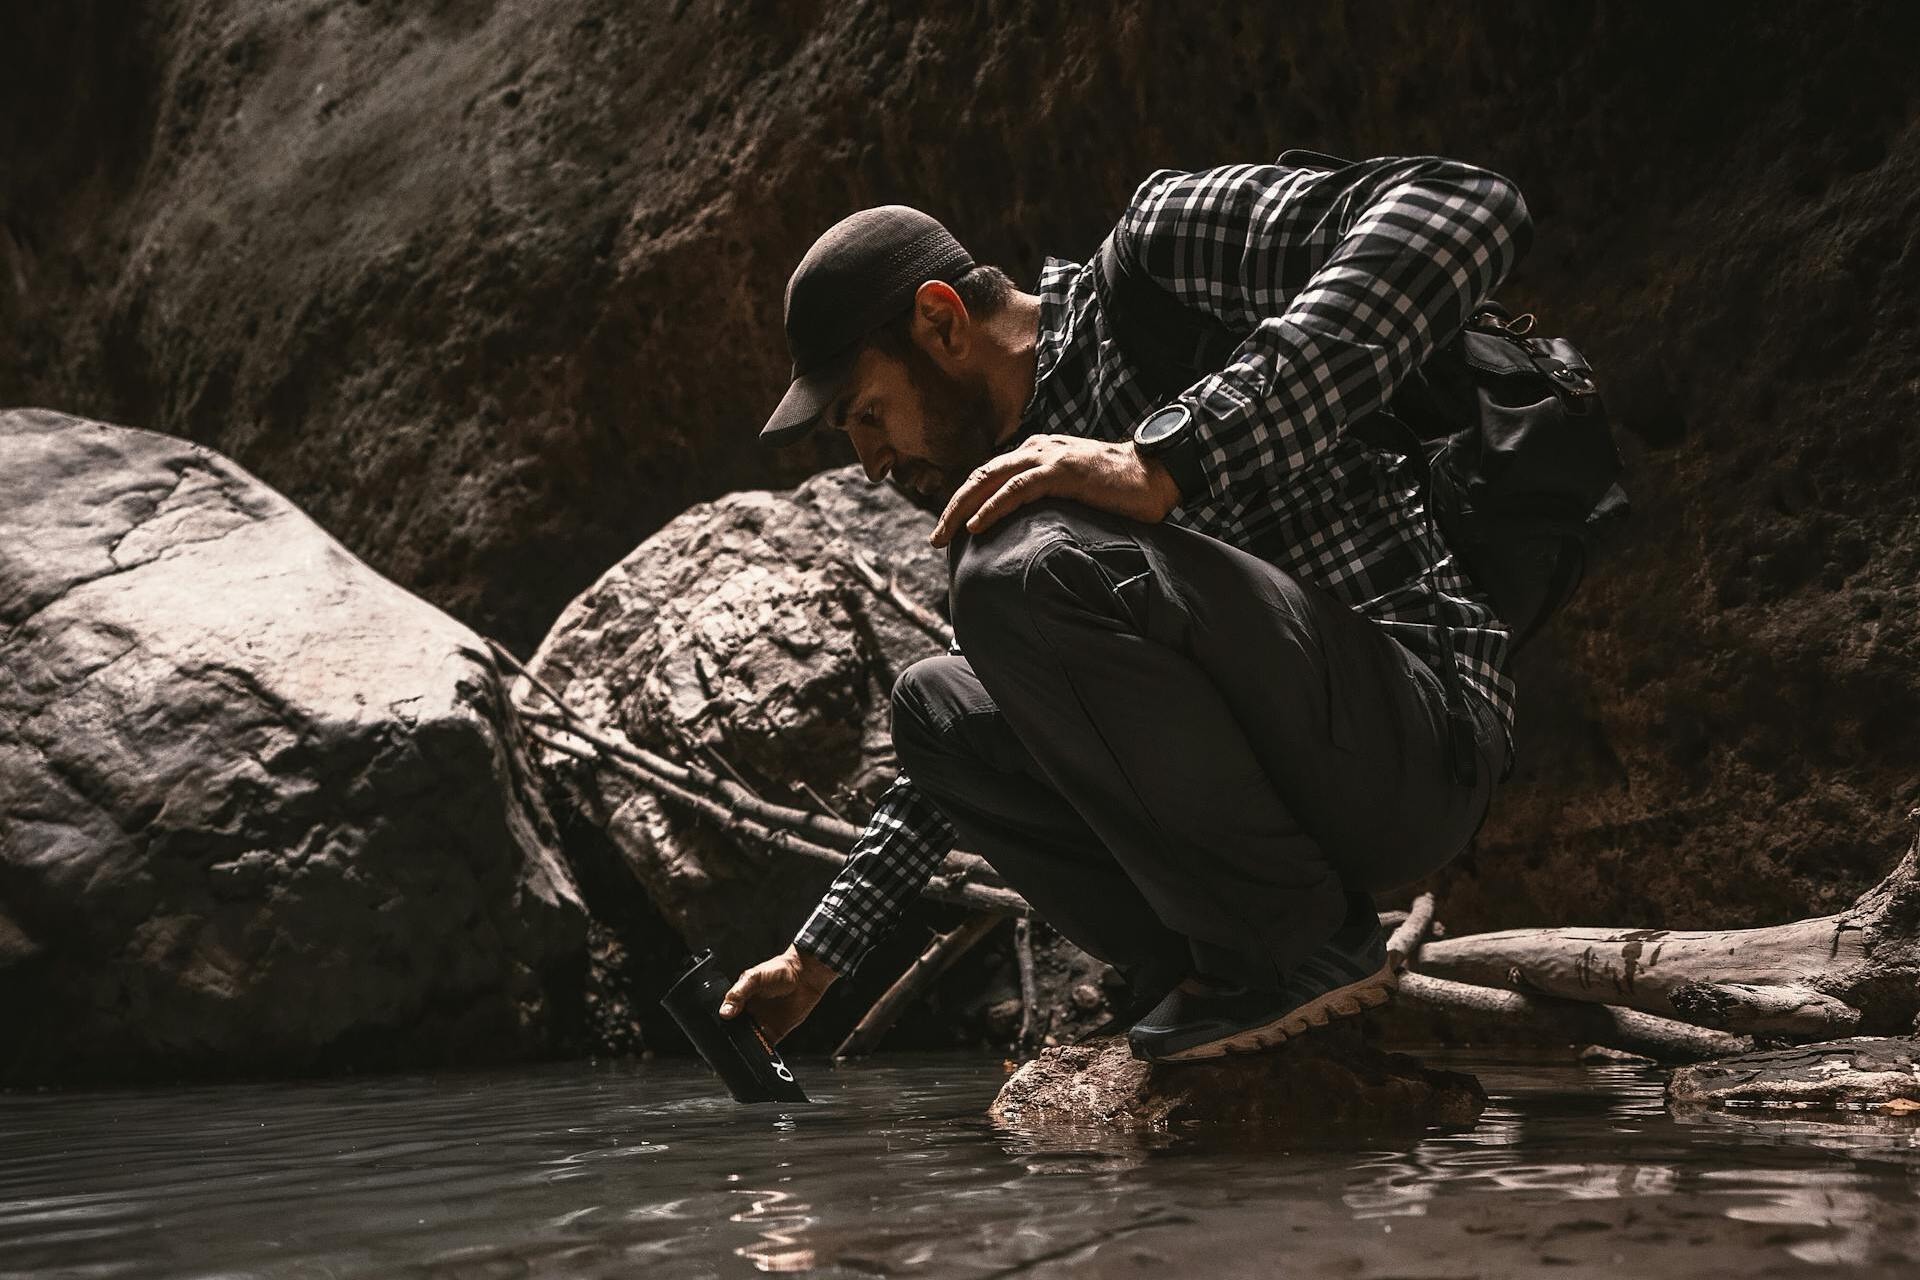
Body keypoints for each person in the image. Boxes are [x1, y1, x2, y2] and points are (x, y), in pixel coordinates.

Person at [719, 154, 1531, 1062]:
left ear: (941, 321)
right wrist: (817, 959)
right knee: (935, 711)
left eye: (868, 414)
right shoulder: (1019, 496)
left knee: (1007, 572)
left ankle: (1290, 953)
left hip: (1410, 745)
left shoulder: (1154, 262)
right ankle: (1206, 974)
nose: (871, 460)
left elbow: (1467, 208)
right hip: (1284, 809)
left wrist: (1171, 458)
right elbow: (995, 739)